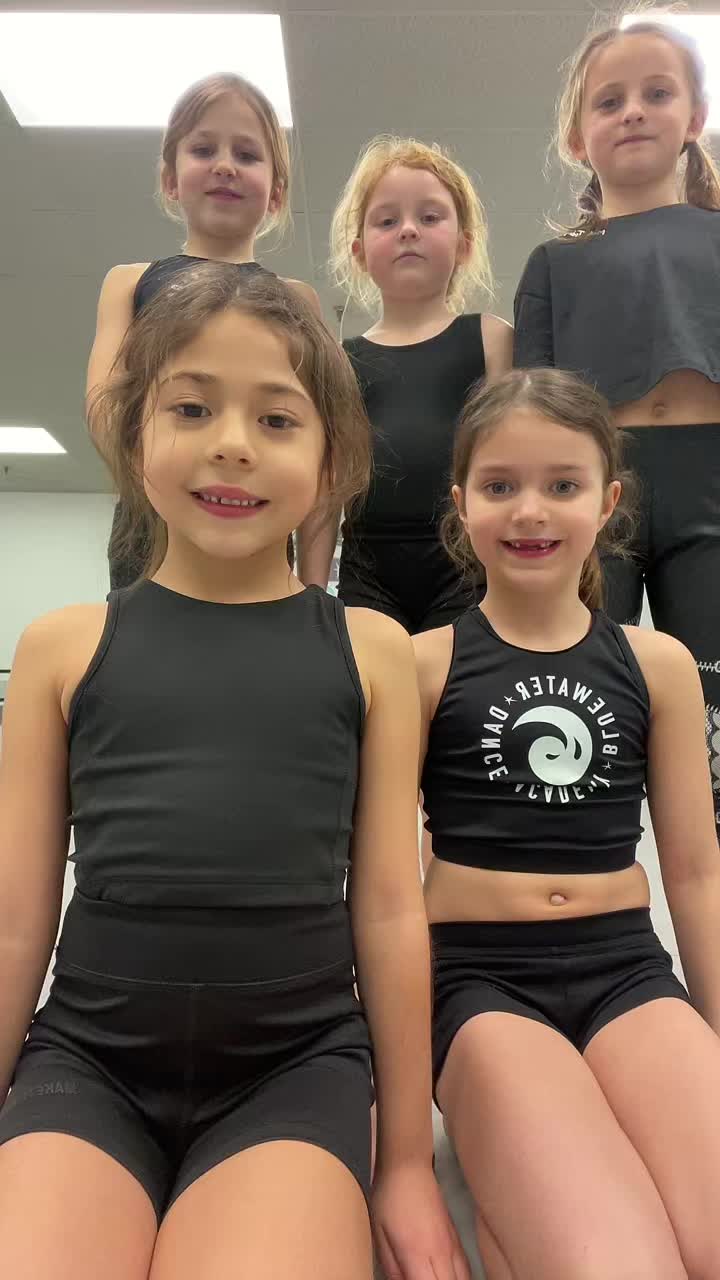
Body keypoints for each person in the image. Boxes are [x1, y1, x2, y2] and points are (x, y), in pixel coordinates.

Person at [0, 265, 466, 1280]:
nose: (232, 443)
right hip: (89, 1060)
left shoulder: (371, 649)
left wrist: (404, 1164)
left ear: (332, 460)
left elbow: (392, 910)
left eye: (278, 418)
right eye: (192, 407)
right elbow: (16, 919)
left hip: (293, 1068)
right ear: (135, 432)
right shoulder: (62, 648)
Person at [414, 367, 720, 1280]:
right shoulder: (421, 666)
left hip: (625, 970)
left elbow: (696, 874)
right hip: (479, 983)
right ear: (461, 502)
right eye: (500, 486)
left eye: (562, 484)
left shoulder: (657, 664)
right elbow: (382, 898)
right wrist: (396, 1124)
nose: (530, 511)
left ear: (607, 501)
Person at [514, 17, 720, 841]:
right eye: (609, 101)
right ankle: (578, 851)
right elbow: (529, 408)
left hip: (711, 481)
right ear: (577, 137)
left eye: (656, 93)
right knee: (582, 676)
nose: (632, 110)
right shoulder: (555, 263)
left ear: (694, 118)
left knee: (711, 695)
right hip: (598, 489)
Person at [87, 71, 319, 588]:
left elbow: (312, 429)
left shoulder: (297, 299)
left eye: (247, 154)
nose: (225, 165)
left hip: (255, 513)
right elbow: (106, 405)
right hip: (152, 524)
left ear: (277, 193)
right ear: (170, 179)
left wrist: (311, 573)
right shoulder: (130, 283)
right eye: (203, 149)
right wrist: (168, 482)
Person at [309, 135, 512, 635]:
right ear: (359, 252)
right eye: (386, 220)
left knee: (453, 680)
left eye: (429, 216)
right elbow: (325, 488)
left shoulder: (492, 339)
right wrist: (309, 598)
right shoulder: (340, 359)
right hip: (368, 565)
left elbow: (518, 463)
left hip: (466, 562)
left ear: (464, 244)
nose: (407, 230)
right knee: (375, 680)